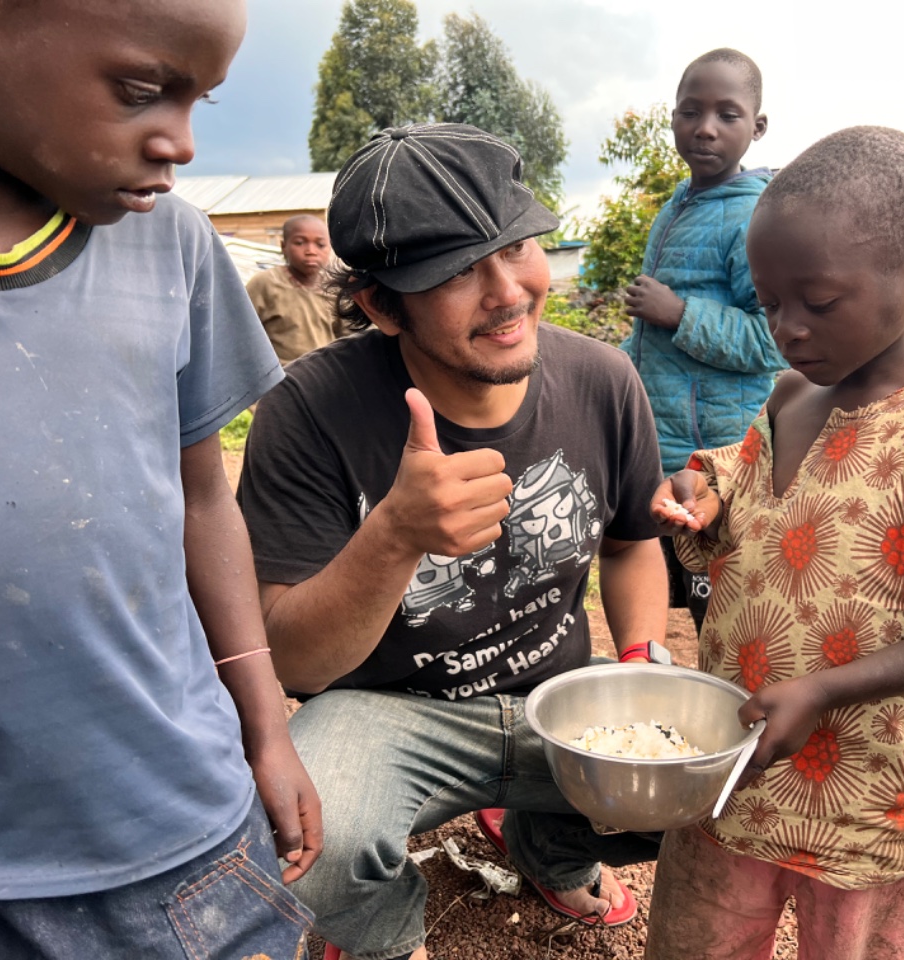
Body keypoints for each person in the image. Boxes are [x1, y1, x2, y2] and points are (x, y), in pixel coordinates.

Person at [237, 123, 669, 960]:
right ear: (379, 305)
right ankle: (379, 929)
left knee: (699, 778)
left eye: (516, 248)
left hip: (556, 699)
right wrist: (394, 536)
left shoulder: (603, 379)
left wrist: (641, 658)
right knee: (302, 831)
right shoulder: (308, 411)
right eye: (457, 272)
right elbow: (297, 662)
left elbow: (629, 544)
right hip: (389, 713)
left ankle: (549, 847)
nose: (508, 292)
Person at [0, 1, 322, 958]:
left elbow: (204, 499)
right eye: (142, 89)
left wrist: (267, 728)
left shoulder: (171, 247)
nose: (182, 142)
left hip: (181, 836)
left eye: (201, 101)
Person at [644, 127, 904, 960]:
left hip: (858, 803)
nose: (788, 329)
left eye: (818, 303)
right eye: (768, 304)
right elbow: (743, 483)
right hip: (731, 774)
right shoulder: (788, 399)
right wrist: (696, 493)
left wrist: (824, 690)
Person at [621, 48, 785, 633]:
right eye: (690, 111)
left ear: (757, 128)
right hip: (664, 450)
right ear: (672, 118)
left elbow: (773, 341)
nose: (705, 128)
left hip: (718, 455)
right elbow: (654, 349)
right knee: (671, 592)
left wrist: (679, 314)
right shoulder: (676, 208)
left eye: (727, 114)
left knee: (722, 608)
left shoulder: (753, 218)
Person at [246, 214, 345, 365]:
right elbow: (243, 332)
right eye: (300, 243)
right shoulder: (265, 283)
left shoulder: (335, 288)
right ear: (283, 247)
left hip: (324, 371)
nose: (311, 251)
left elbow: (348, 336)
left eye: (320, 245)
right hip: (282, 373)